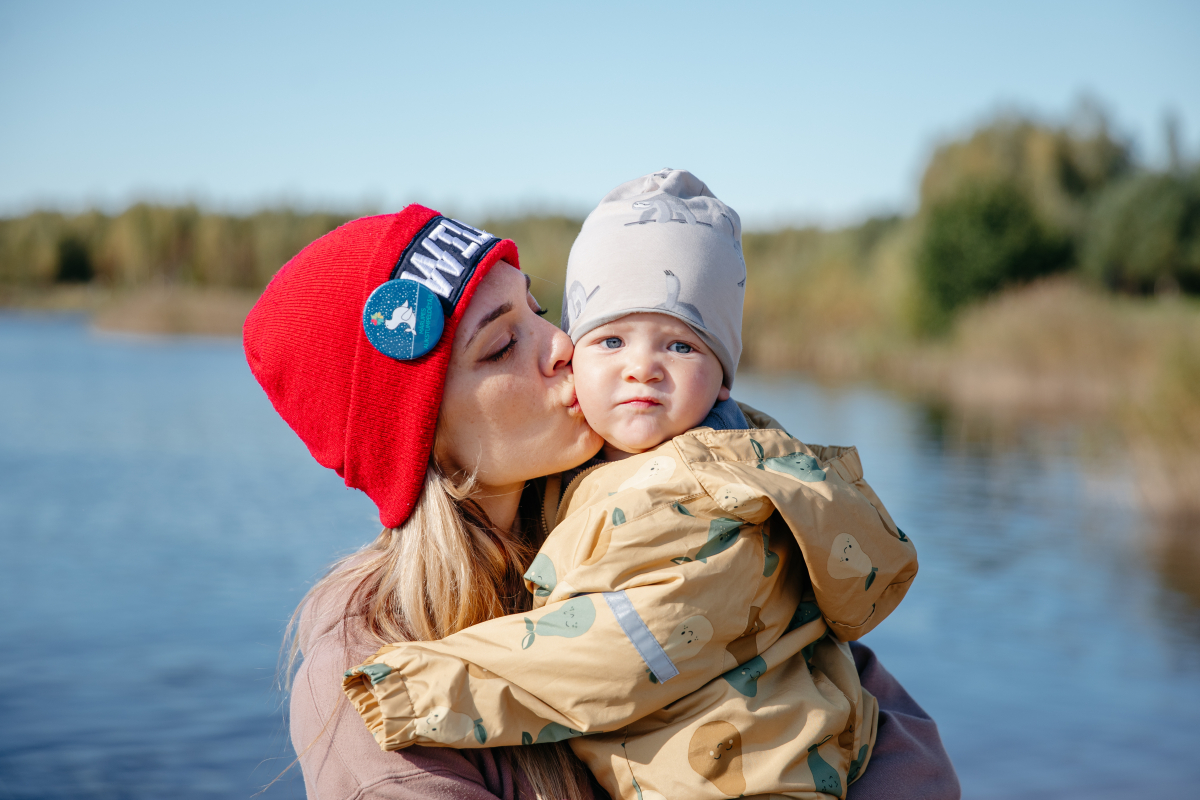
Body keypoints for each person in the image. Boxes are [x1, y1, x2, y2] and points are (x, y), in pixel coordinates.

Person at [244, 204, 960, 799]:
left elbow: (888, 726)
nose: (563, 344)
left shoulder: (662, 507)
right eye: (501, 346)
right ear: (422, 442)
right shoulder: (372, 668)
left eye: (540, 308)